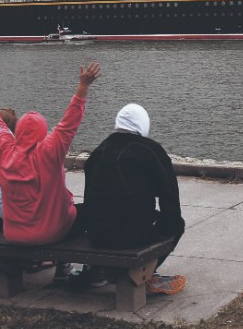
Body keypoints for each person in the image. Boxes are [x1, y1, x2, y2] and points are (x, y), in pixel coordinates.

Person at [0, 62, 100, 244]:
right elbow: (69, 123)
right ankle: (63, 266)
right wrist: (83, 86)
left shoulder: (5, 149)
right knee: (88, 213)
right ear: (43, 131)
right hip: (50, 233)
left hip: (13, 233)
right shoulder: (49, 151)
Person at [73, 103, 186, 295]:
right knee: (176, 223)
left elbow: (91, 196)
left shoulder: (99, 151)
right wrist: (168, 227)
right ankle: (146, 271)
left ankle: (100, 270)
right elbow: (170, 198)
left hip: (97, 235)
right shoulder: (150, 151)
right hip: (133, 235)